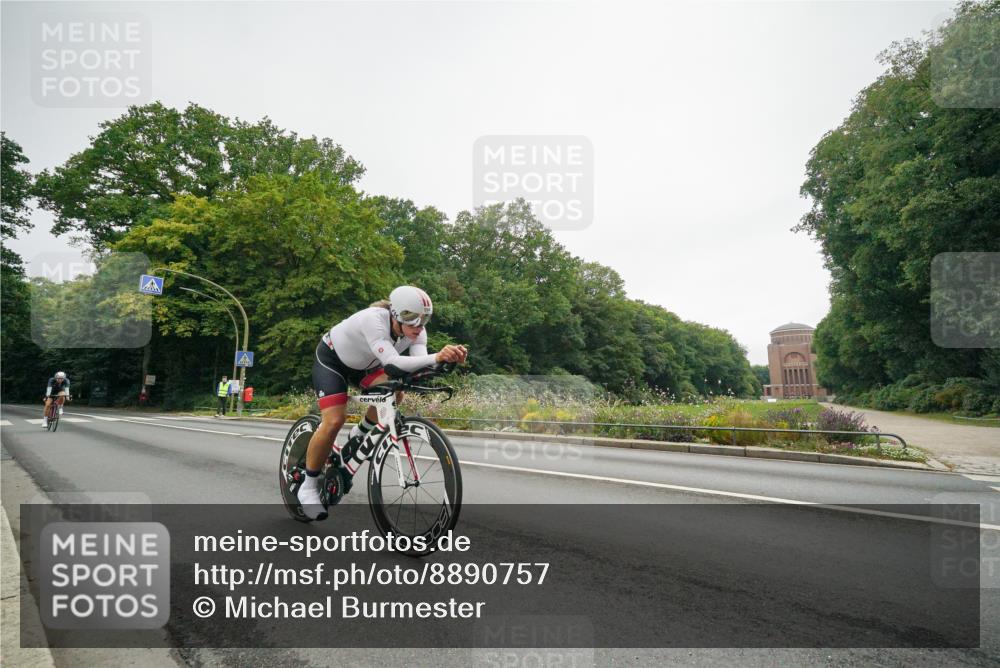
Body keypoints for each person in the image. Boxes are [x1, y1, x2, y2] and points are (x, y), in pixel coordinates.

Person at [298, 286, 467, 520]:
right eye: (413, 320)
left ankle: (360, 432)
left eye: (424, 320)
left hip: (366, 365)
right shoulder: (373, 320)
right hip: (333, 360)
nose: (419, 327)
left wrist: (445, 361)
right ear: (396, 315)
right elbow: (392, 362)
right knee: (334, 420)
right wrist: (437, 356)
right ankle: (308, 486)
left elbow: (418, 364)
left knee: (396, 392)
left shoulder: (417, 332)